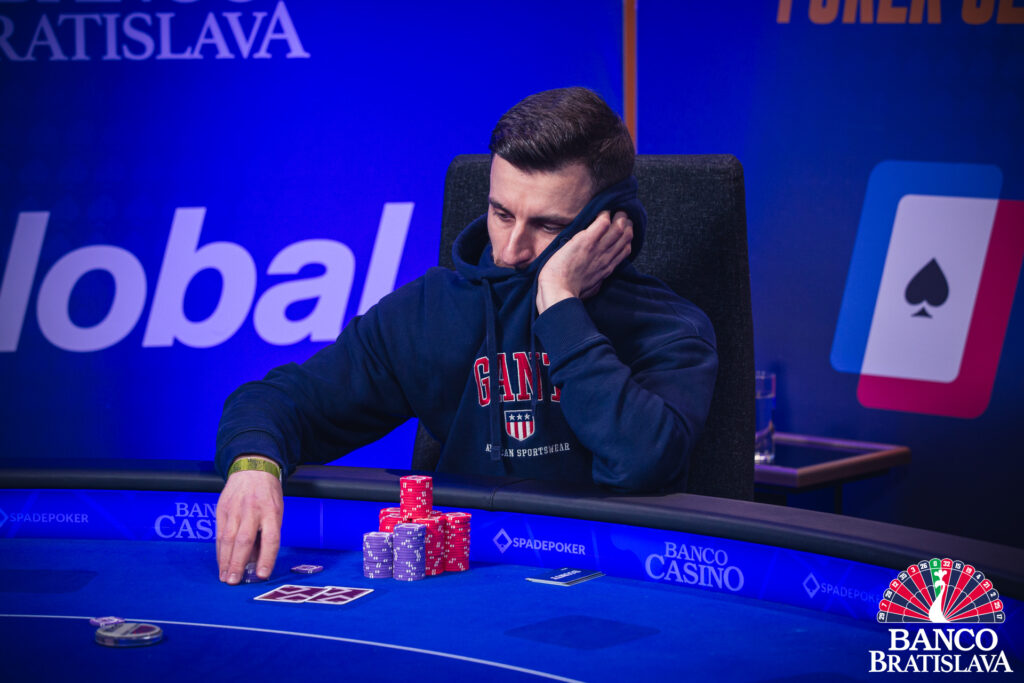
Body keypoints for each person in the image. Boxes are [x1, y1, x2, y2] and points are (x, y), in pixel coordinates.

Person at [214, 87, 718, 585]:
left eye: (548, 225)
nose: (511, 250)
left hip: (612, 589)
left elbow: (639, 466)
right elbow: (277, 401)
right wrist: (255, 465)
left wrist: (560, 304)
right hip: (459, 585)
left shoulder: (670, 328)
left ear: (608, 222)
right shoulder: (430, 311)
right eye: (502, 214)